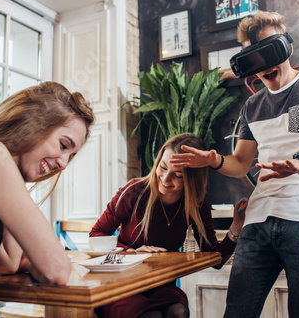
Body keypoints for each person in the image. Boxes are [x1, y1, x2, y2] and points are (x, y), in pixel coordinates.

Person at [170, 11, 299, 317]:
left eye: (270, 50)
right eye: (254, 56)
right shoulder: (253, 106)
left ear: (286, 47)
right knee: (238, 312)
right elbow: (241, 164)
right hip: (259, 221)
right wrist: (213, 160)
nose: (265, 65)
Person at [0, 81, 95, 317]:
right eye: (63, 145)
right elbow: (57, 270)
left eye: (70, 155)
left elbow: (8, 264)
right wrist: (43, 260)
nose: (64, 164)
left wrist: (31, 261)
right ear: (32, 123)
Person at [90, 133, 247, 318]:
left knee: (178, 312)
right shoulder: (134, 192)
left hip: (161, 284)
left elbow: (215, 259)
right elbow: (96, 235)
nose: (165, 178)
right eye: (162, 167)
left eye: (177, 175)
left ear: (192, 179)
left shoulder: (196, 203)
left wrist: (236, 227)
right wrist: (132, 252)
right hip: (122, 284)